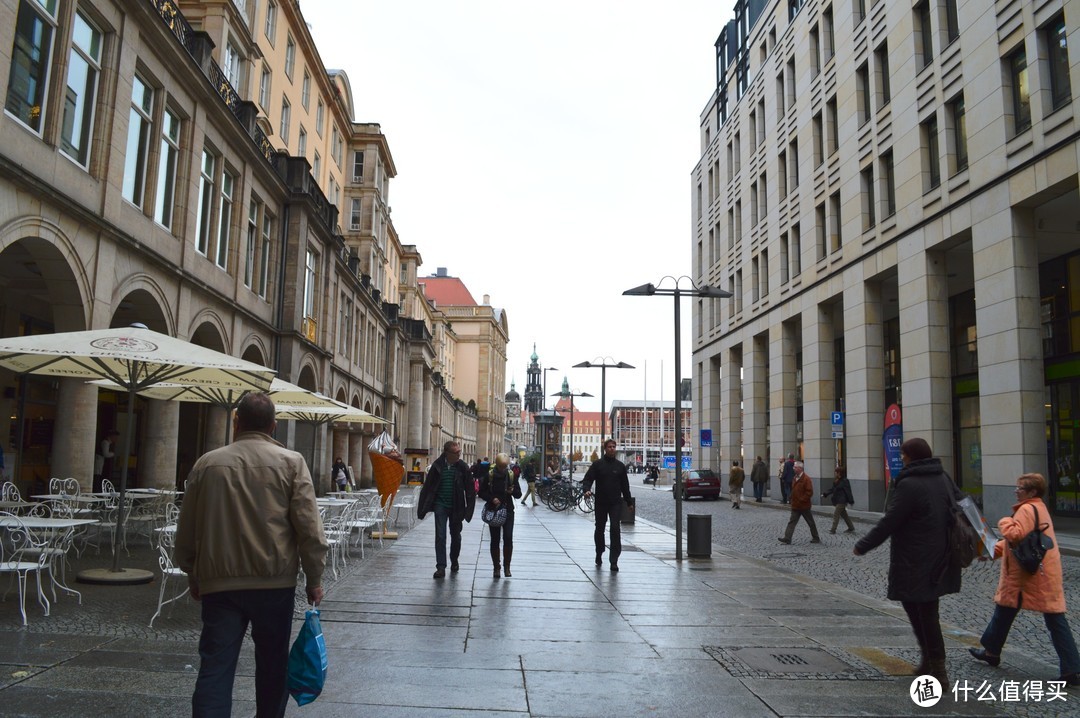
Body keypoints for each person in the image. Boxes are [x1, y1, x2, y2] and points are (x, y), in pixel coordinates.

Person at [174, 392, 328, 718]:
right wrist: (314, 578)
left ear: (236, 422)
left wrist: (191, 570)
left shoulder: (208, 464)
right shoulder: (292, 463)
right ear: (273, 426)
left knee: (215, 666)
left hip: (220, 584)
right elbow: (310, 530)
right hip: (274, 584)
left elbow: (187, 526)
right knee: (273, 666)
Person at [853, 437, 960, 686]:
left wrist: (863, 545)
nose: (901, 458)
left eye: (903, 455)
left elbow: (891, 520)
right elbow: (962, 505)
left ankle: (939, 670)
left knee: (926, 612)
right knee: (917, 608)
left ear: (912, 456)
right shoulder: (943, 478)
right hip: (941, 555)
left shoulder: (910, 484)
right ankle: (928, 661)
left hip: (916, 559)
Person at [968, 473, 1079, 686]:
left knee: (1054, 618)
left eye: (1020, 488)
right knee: (1005, 609)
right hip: (1039, 571)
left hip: (1030, 575)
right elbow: (1022, 542)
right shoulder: (1038, 507)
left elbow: (1015, 535)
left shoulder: (1027, 510)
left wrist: (1004, 521)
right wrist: (993, 551)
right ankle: (991, 651)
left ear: (1032, 492)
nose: (1016, 491)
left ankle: (1072, 668)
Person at [418, 441, 476, 578]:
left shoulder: (462, 467)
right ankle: (441, 567)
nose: (459, 455)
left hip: (457, 506)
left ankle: (454, 559)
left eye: (459, 452)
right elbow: (427, 488)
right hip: (440, 505)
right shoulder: (437, 466)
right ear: (447, 453)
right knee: (440, 535)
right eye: (456, 453)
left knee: (456, 537)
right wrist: (422, 508)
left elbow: (470, 490)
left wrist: (468, 510)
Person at [582, 439, 633, 572]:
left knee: (615, 529)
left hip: (615, 503)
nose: (612, 449)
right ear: (605, 449)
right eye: (609, 447)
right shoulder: (598, 465)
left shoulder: (620, 466)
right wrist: (586, 489)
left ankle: (614, 560)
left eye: (614, 447)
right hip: (601, 502)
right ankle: (599, 552)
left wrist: (629, 502)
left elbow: (625, 486)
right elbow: (588, 479)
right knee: (599, 529)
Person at [478, 453, 521, 578]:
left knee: (508, 537)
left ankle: (507, 567)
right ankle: (496, 567)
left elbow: (518, 494)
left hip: (508, 510)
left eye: (505, 467)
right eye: (501, 467)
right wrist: (492, 499)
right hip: (494, 511)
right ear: (497, 465)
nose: (503, 469)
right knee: (495, 539)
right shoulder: (490, 475)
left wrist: (512, 491)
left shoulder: (511, 475)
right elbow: (481, 492)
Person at [778, 461, 821, 544]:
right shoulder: (795, 478)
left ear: (800, 468)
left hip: (804, 506)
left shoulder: (806, 479)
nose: (793, 468)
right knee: (792, 522)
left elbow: (809, 492)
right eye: (794, 467)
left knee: (810, 522)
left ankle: (816, 537)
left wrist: (802, 499)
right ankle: (787, 538)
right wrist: (791, 497)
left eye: (795, 467)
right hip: (795, 505)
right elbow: (794, 489)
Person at [823, 465, 856, 534]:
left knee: (836, 514)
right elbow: (832, 489)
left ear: (839, 473)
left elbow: (848, 491)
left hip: (842, 500)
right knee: (844, 515)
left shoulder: (845, 481)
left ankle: (833, 529)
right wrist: (825, 494)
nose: (835, 473)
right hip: (837, 499)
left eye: (836, 472)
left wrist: (851, 500)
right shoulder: (836, 481)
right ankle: (851, 527)